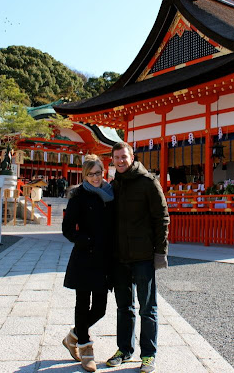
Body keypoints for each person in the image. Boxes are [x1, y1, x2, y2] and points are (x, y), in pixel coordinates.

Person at [106, 142, 169, 373]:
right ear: (112, 160)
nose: (120, 161)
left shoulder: (148, 183)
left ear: (132, 157)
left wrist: (160, 251)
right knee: (124, 306)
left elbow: (162, 218)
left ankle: (149, 354)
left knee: (147, 307)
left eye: (124, 157)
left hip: (142, 255)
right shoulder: (114, 186)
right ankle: (124, 349)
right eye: (116, 158)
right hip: (120, 256)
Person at [61, 155, 114, 372]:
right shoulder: (78, 196)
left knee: (100, 308)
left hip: (104, 258)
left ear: (104, 172)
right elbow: (67, 228)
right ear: (85, 175)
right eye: (90, 174)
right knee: (82, 304)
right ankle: (85, 347)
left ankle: (72, 336)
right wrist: (86, 240)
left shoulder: (111, 194)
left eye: (98, 173)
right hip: (85, 256)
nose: (95, 177)